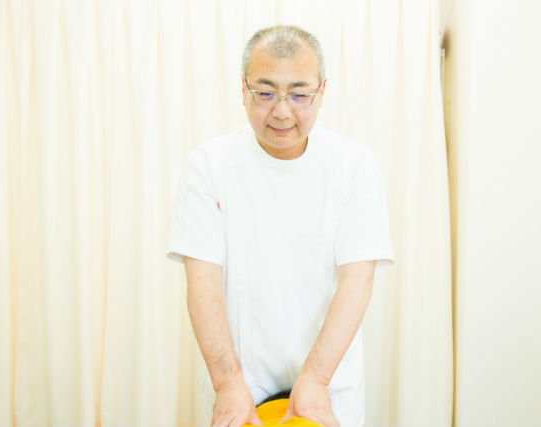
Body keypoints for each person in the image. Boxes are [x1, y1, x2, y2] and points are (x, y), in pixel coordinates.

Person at [167, 25, 394, 427]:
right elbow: (201, 283)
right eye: (266, 92)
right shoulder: (209, 167)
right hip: (239, 390)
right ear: (243, 90)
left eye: (299, 93)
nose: (282, 111)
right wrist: (227, 383)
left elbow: (357, 281)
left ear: (322, 92)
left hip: (328, 388)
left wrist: (317, 379)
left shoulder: (354, 167)